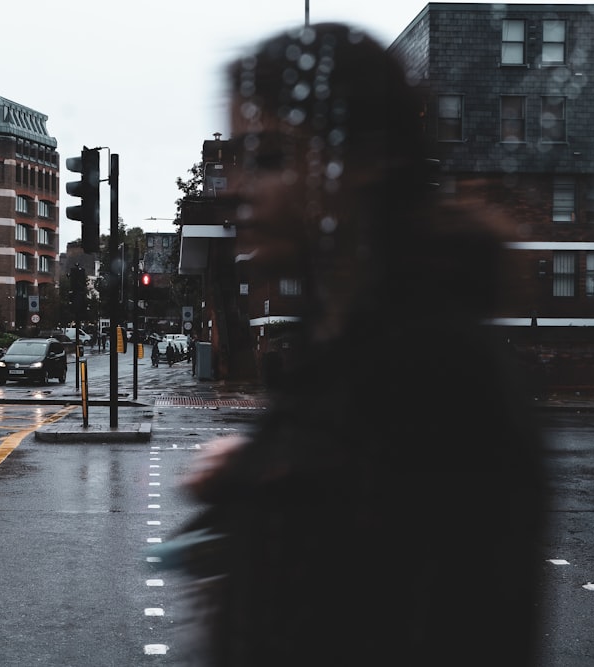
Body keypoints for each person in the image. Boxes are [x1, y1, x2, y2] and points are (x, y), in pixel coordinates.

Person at [174, 23, 547, 666]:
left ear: (365, 160)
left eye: (268, 157)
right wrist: (257, 471)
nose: (235, 188)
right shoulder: (354, 339)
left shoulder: (431, 373)